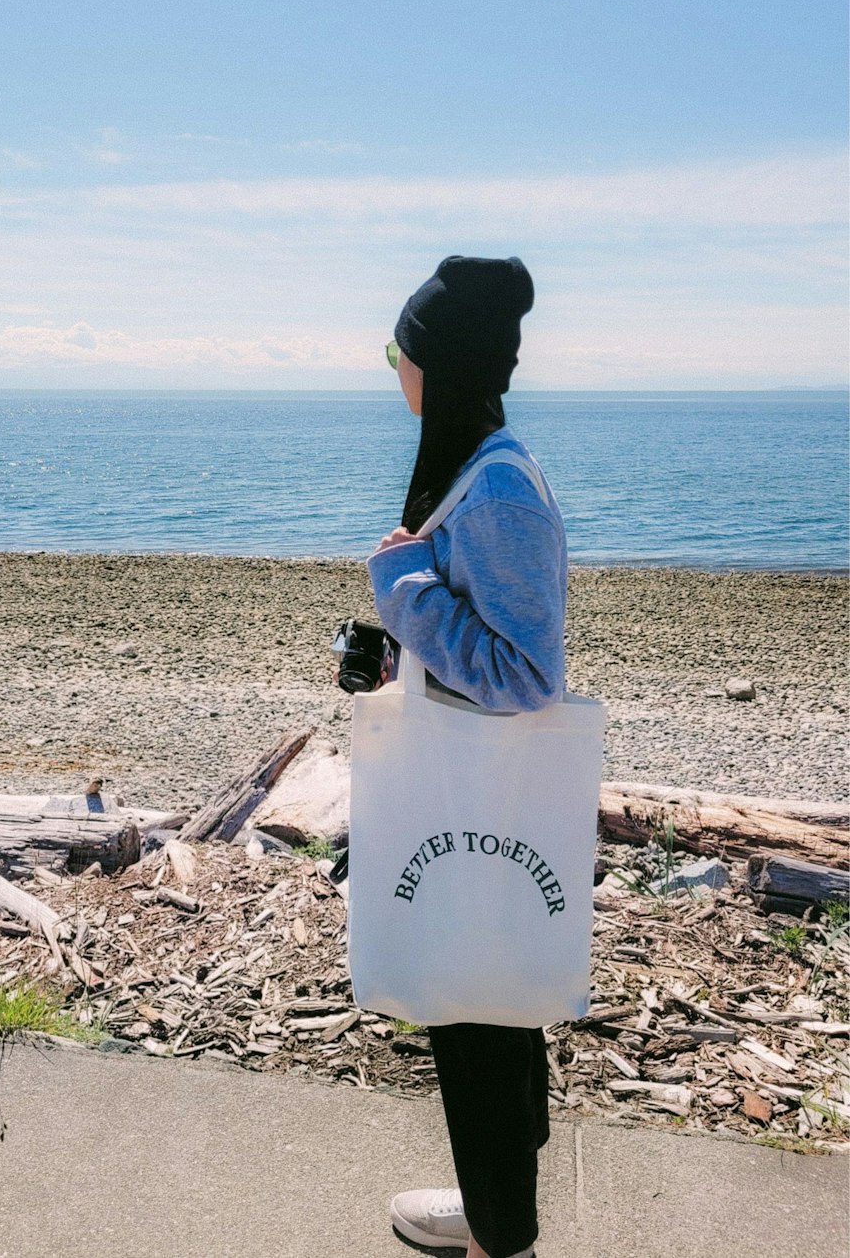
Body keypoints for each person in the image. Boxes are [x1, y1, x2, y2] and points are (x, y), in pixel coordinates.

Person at [365, 255, 567, 1258]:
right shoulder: (473, 465)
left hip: (484, 800)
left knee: (480, 1012)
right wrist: (387, 635)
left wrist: (403, 590)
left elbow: (528, 674)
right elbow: (465, 631)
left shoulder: (498, 492)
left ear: (440, 366)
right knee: (488, 1005)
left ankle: (504, 1235)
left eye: (399, 349)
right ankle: (493, 1211)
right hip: (471, 794)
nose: (390, 366)